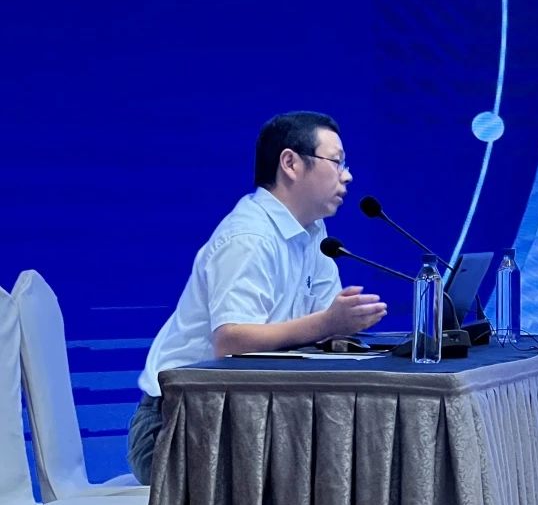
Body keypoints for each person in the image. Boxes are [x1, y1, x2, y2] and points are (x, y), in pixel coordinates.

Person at [126, 111, 387, 484]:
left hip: (245, 416)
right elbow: (231, 341)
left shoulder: (314, 234)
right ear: (290, 163)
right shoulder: (249, 237)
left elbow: (320, 331)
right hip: (175, 424)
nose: (347, 176)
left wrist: (343, 327)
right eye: (337, 162)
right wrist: (328, 322)